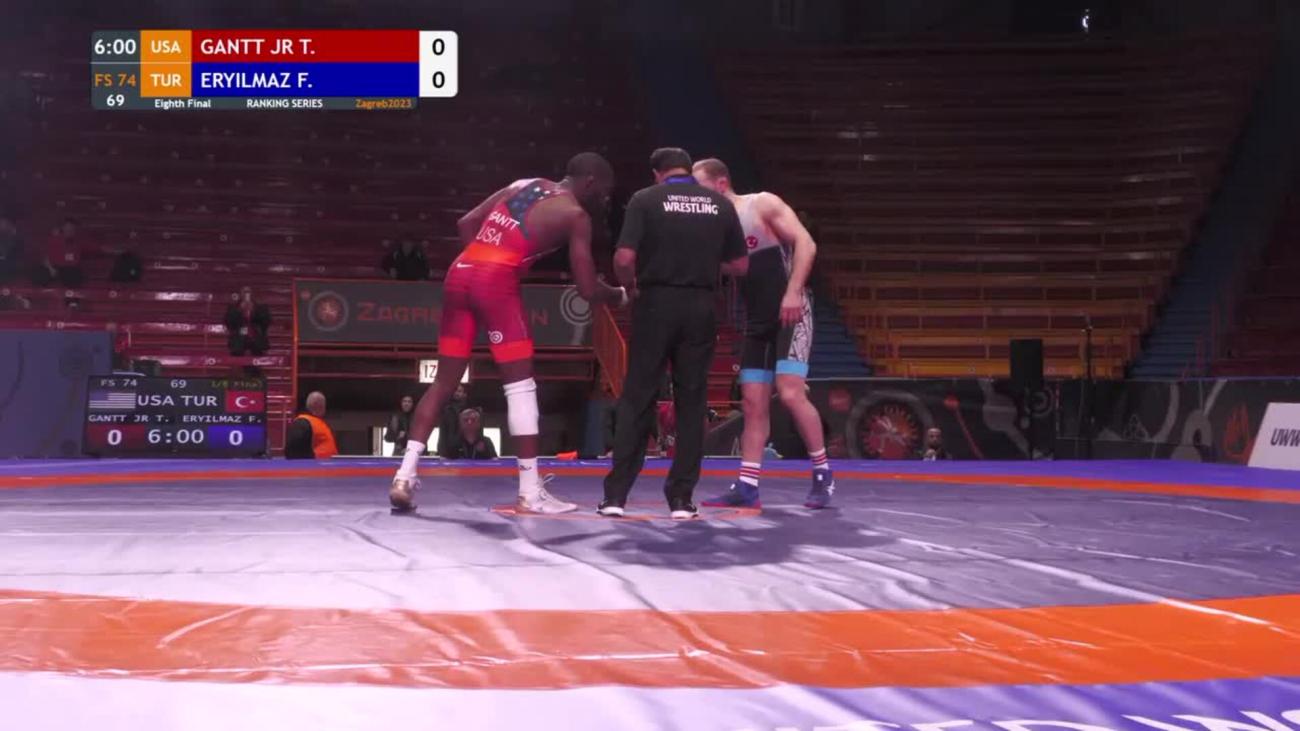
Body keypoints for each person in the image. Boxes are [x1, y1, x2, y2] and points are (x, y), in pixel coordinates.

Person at [389, 152, 627, 514]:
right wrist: (620, 295)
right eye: (604, 193)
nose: (605, 201)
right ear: (590, 182)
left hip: (460, 272)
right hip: (495, 279)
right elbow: (587, 289)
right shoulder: (575, 215)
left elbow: (467, 223)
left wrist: (483, 265)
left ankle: (404, 476)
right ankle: (530, 492)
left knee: (443, 383)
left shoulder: (523, 184)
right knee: (520, 386)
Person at [598, 148, 749, 520]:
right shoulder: (719, 204)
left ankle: (616, 496)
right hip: (700, 306)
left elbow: (623, 259)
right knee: (692, 401)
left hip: (655, 303)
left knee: (638, 396)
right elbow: (740, 265)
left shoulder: (645, 199)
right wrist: (702, 261)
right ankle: (682, 499)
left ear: (657, 173)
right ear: (687, 170)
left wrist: (630, 286)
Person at [692, 157, 835, 510]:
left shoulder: (761, 204)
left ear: (721, 184)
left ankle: (823, 473)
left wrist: (794, 291)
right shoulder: (715, 229)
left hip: (791, 313)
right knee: (753, 403)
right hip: (756, 321)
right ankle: (747, 485)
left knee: (789, 393)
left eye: (700, 187)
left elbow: (806, 243)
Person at [285, 391, 338, 459]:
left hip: (327, 464)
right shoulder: (302, 422)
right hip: (315, 464)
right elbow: (293, 451)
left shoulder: (316, 422)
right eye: (323, 405)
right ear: (318, 405)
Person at [224, 286, 272, 356]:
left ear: (252, 294)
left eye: (248, 292)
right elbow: (229, 322)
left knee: (258, 351)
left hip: (255, 336)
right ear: (240, 294)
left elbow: (266, 321)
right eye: (244, 292)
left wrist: (255, 310)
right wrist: (239, 310)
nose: (246, 294)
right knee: (237, 351)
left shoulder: (261, 306)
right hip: (239, 337)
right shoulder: (233, 307)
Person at [436, 382, 469, 458]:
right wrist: (442, 451)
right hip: (447, 452)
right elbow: (443, 432)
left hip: (465, 452)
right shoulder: (446, 410)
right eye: (455, 391)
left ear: (464, 394)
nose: (456, 393)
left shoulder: (469, 410)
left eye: (459, 391)